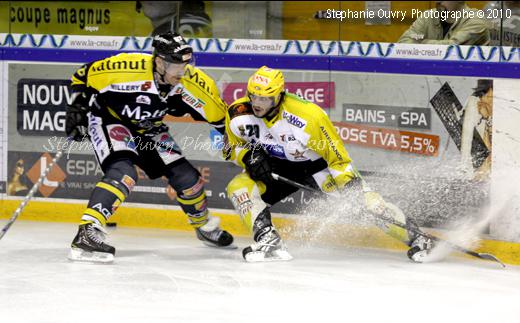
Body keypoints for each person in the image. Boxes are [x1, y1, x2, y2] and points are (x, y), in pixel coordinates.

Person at [223, 66, 434, 262]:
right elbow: (230, 147)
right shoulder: (238, 113)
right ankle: (269, 242)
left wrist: (350, 188)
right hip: (277, 167)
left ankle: (418, 238)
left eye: (265, 98)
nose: (257, 103)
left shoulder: (308, 116)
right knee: (238, 187)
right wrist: (249, 157)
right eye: (254, 96)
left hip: (317, 167)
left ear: (278, 95)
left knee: (367, 205)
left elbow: (337, 158)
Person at [65, 32, 234, 263]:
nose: (182, 70)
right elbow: (82, 75)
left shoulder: (195, 84)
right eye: (176, 65)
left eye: (186, 63)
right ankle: (87, 232)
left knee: (188, 179)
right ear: (159, 62)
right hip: (110, 119)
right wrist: (76, 109)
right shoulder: (125, 67)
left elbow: (222, 120)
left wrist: (236, 144)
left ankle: (203, 226)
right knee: (124, 173)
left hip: (149, 128)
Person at [398, 1, 490, 45]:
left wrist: (421, 41)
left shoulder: (476, 21)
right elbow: (406, 39)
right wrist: (417, 38)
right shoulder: (428, 16)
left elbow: (451, 48)